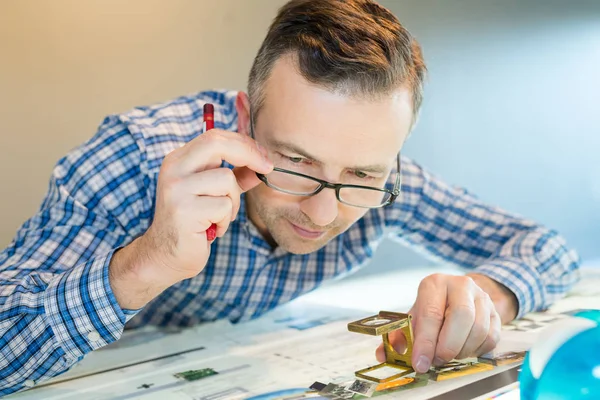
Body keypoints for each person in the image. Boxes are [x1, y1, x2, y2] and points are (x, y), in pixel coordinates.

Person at [0, 0, 579, 394]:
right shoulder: (132, 160)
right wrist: (143, 266)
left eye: (360, 174)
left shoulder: (381, 180)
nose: (324, 213)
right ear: (244, 119)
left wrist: (489, 294)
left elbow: (546, 247)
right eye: (296, 162)